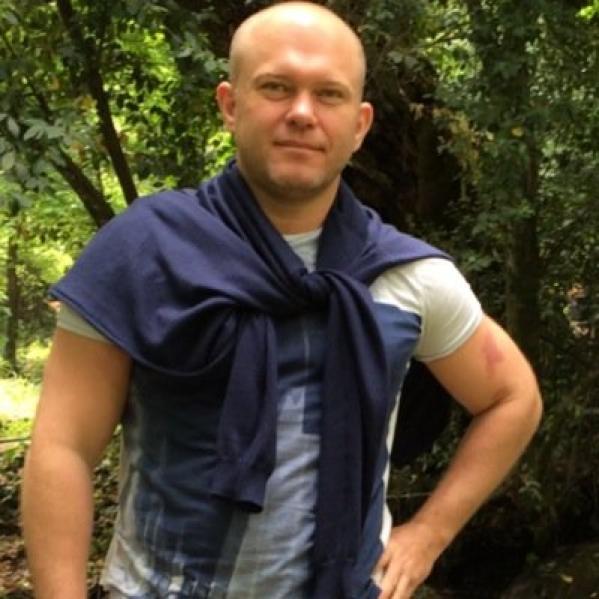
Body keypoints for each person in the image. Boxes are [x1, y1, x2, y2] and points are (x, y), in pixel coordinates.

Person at [21, 2, 542, 598]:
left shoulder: (408, 276)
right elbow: (63, 447)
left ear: (360, 125)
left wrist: (429, 534)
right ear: (230, 104)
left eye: (329, 94)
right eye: (276, 87)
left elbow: (512, 398)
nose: (301, 113)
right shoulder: (144, 253)